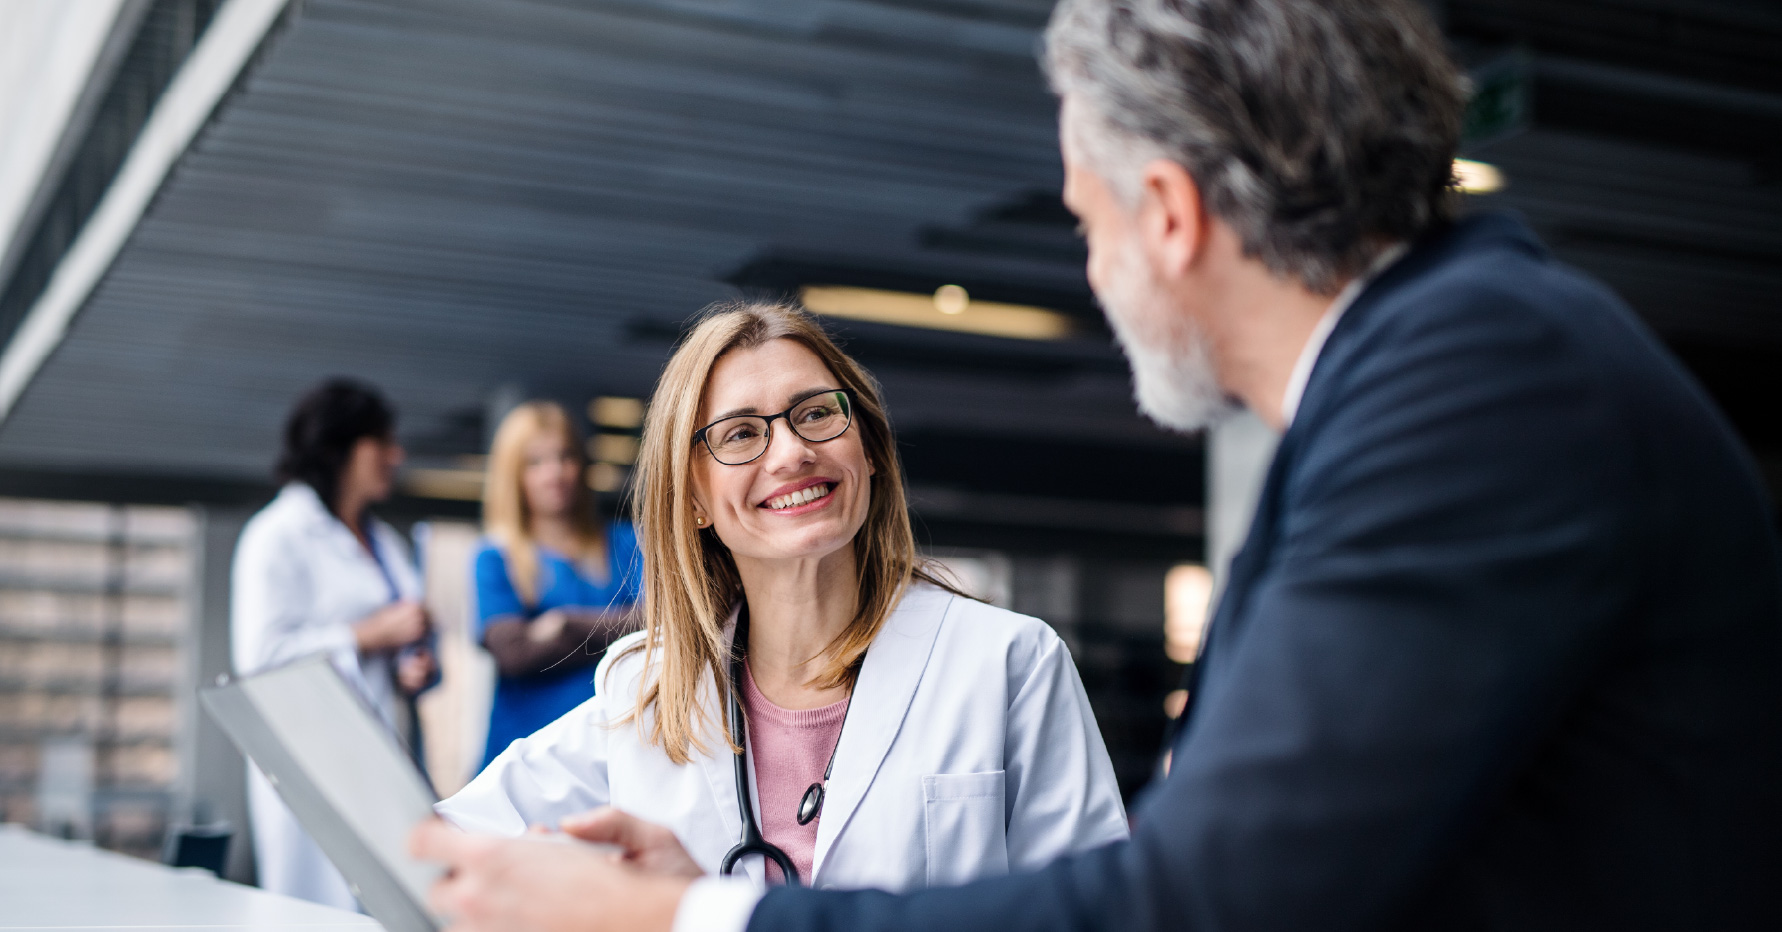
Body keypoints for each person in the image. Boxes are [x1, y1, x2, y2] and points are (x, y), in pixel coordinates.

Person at [412, 0, 1782, 930]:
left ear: (1170, 215)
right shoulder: (1440, 366)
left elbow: (1204, 903)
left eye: (1084, 219)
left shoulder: (1472, 389)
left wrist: (691, 916)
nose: (1090, 262)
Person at [432, 301, 1127, 892]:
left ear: (870, 450)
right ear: (695, 497)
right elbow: (436, 847)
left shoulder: (1008, 662)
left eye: (817, 414)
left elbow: (1098, 911)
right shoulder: (644, 689)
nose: (790, 452)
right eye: (739, 434)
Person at [234, 378, 437, 909]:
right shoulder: (276, 535)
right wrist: (368, 636)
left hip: (380, 751)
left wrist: (410, 666)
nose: (397, 455)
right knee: (312, 909)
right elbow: (259, 660)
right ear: (340, 447)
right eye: (382, 443)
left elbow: (400, 643)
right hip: (309, 755)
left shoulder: (387, 541)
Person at [474, 400, 642, 771]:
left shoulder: (627, 543)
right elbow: (514, 654)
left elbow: (661, 624)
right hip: (528, 752)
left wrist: (564, 626)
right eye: (536, 463)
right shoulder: (495, 558)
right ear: (513, 475)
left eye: (565, 456)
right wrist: (617, 630)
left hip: (617, 747)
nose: (555, 472)